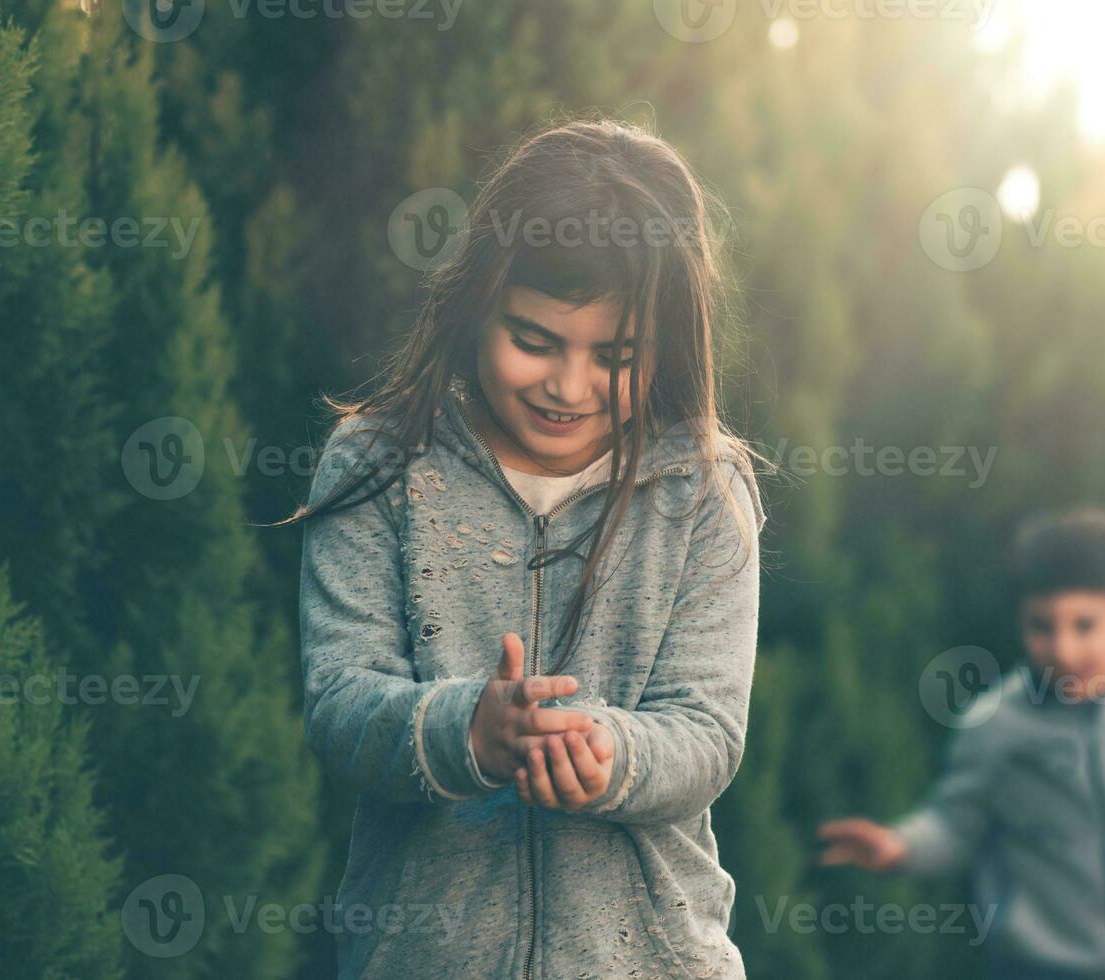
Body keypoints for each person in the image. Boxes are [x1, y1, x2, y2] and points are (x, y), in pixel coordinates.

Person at [269, 115, 773, 978]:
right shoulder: (378, 464)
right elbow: (340, 701)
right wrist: (466, 729)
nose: (567, 386)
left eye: (615, 354)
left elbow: (708, 730)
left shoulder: (704, 489)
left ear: (668, 346)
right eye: (533, 341)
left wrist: (608, 753)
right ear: (475, 304)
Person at [816, 506, 1105, 980]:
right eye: (1042, 626)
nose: (1063, 649)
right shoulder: (994, 724)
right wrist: (900, 846)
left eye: (1084, 625)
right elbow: (957, 823)